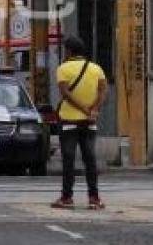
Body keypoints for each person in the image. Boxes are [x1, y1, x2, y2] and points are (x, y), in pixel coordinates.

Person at [52, 35, 107, 210]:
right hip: (89, 121)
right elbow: (103, 90)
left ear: (68, 51)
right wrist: (93, 109)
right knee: (89, 158)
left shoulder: (63, 69)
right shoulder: (96, 69)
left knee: (68, 159)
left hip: (68, 121)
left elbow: (65, 93)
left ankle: (67, 197)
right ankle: (94, 198)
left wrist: (82, 108)